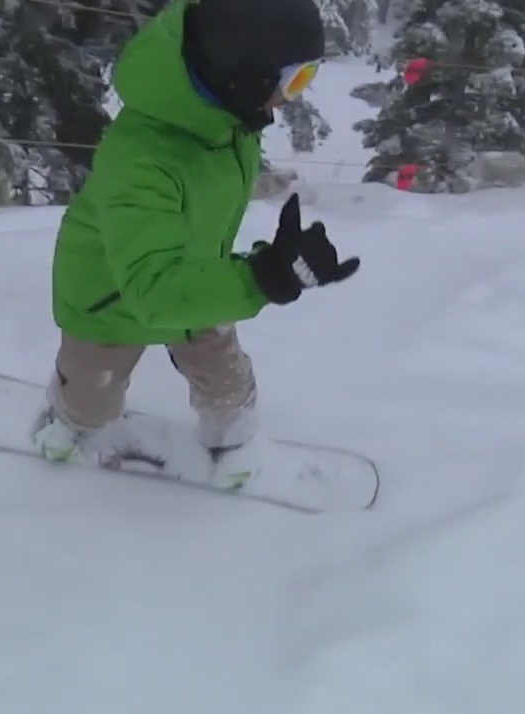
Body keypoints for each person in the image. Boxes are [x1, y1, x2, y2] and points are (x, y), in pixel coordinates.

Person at [33, 0, 360, 487]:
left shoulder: (225, 117)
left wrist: (254, 269)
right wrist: (265, 276)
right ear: (242, 77)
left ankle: (235, 436)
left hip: (196, 277)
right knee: (90, 396)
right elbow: (154, 291)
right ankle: (68, 425)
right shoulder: (142, 161)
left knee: (225, 377)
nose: (293, 99)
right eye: (293, 81)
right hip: (111, 298)